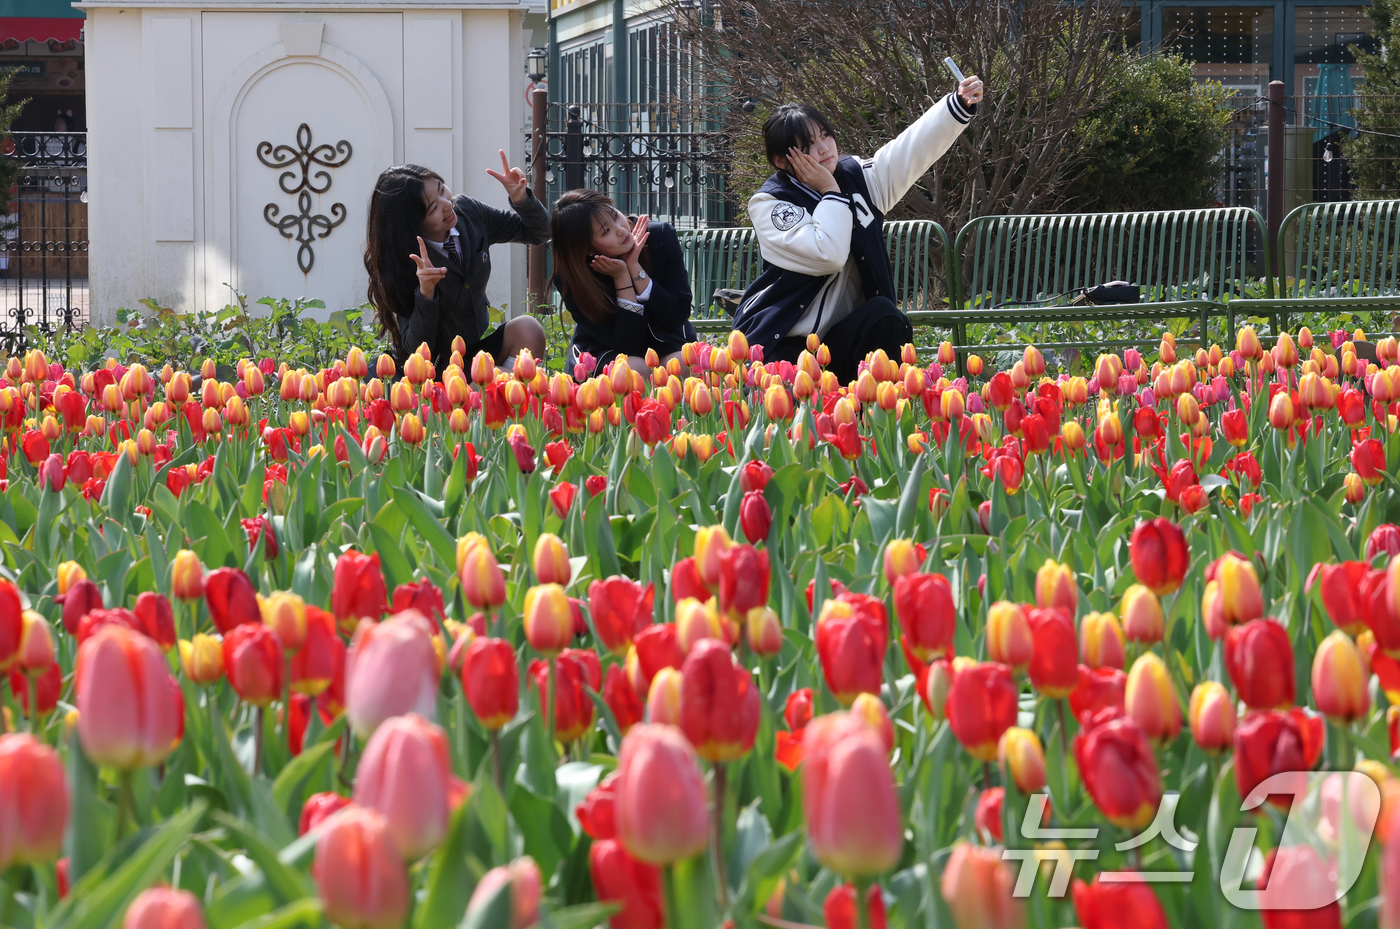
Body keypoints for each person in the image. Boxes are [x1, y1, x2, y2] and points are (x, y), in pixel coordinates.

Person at [732, 74, 985, 384]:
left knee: (884, 314)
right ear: (782, 161)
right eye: (808, 145)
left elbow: (909, 151)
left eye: (825, 135)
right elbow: (828, 254)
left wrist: (957, 104)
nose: (824, 148)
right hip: (782, 347)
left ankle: (876, 421)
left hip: (841, 341)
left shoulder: (859, 177)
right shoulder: (771, 204)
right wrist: (830, 191)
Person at [365, 151, 549, 373]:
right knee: (482, 382)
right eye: (433, 208)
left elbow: (540, 233)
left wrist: (521, 199)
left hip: (475, 353)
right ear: (413, 224)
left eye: (442, 189)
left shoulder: (469, 213)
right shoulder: (405, 263)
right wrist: (426, 294)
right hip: (435, 371)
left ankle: (495, 398)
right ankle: (481, 396)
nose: (447, 204)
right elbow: (416, 351)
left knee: (528, 329)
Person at [551, 189, 694, 376]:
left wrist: (634, 267)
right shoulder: (573, 277)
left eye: (615, 215)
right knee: (633, 370)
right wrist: (621, 277)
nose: (621, 230)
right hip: (605, 350)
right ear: (587, 249)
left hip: (665, 339)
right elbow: (627, 344)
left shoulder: (659, 237)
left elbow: (677, 314)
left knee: (682, 364)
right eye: (606, 231)